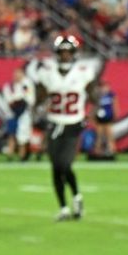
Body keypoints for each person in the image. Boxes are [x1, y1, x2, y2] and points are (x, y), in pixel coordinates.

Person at [29, 35, 103, 221]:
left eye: (68, 52)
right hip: (54, 123)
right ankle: (63, 208)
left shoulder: (83, 72)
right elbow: (39, 98)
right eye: (62, 52)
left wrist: (88, 117)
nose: (65, 55)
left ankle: (76, 197)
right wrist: (37, 109)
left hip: (73, 123)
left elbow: (95, 98)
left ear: (74, 53)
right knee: (55, 167)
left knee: (65, 164)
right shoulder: (47, 72)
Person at [3, 67, 36, 161]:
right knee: (11, 134)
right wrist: (17, 100)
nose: (17, 76)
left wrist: (20, 99)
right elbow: (9, 100)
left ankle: (22, 156)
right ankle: (10, 155)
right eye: (15, 74)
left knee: (22, 136)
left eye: (19, 74)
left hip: (24, 114)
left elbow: (30, 99)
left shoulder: (26, 85)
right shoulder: (9, 86)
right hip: (12, 113)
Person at [93, 80, 115, 157]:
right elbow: (95, 107)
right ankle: (97, 151)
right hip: (99, 118)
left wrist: (115, 115)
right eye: (101, 87)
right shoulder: (97, 96)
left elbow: (115, 106)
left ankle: (112, 150)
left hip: (108, 117)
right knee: (99, 135)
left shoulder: (111, 95)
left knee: (109, 135)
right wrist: (93, 117)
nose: (103, 89)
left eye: (105, 87)